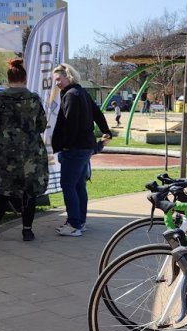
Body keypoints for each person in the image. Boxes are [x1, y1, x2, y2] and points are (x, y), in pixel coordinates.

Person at [0, 58, 49, 242]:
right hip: (31, 153)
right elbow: (42, 124)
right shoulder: (34, 99)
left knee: (3, 190)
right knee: (29, 191)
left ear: (9, 79)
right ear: (25, 79)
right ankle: (27, 231)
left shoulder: (0, 99)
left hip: (6, 154)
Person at [51, 63, 112, 237]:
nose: (57, 83)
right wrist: (106, 130)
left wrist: (65, 145)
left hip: (75, 148)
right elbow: (97, 113)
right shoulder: (82, 93)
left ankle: (74, 224)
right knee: (78, 186)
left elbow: (70, 124)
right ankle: (79, 221)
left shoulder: (71, 95)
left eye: (58, 79)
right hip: (85, 147)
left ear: (67, 77)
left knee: (69, 185)